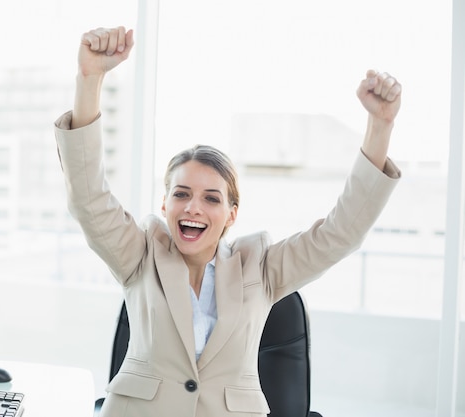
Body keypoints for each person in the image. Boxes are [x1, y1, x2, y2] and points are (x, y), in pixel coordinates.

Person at [54, 26, 401, 417]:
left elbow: (342, 232)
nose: (192, 208)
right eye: (181, 194)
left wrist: (380, 126)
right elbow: (88, 199)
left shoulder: (262, 267)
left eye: (211, 198)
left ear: (232, 214)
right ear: (165, 203)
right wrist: (90, 78)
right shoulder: (139, 254)